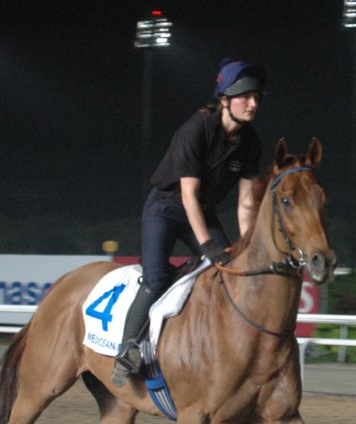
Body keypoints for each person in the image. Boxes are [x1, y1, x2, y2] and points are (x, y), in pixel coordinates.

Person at [112, 57, 267, 386]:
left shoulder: (251, 141)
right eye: (245, 97)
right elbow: (187, 196)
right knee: (155, 279)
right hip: (166, 209)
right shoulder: (196, 129)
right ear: (224, 100)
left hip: (202, 211)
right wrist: (210, 246)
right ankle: (127, 352)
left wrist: (247, 245)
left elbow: (245, 203)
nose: (253, 104)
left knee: (228, 275)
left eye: (257, 97)